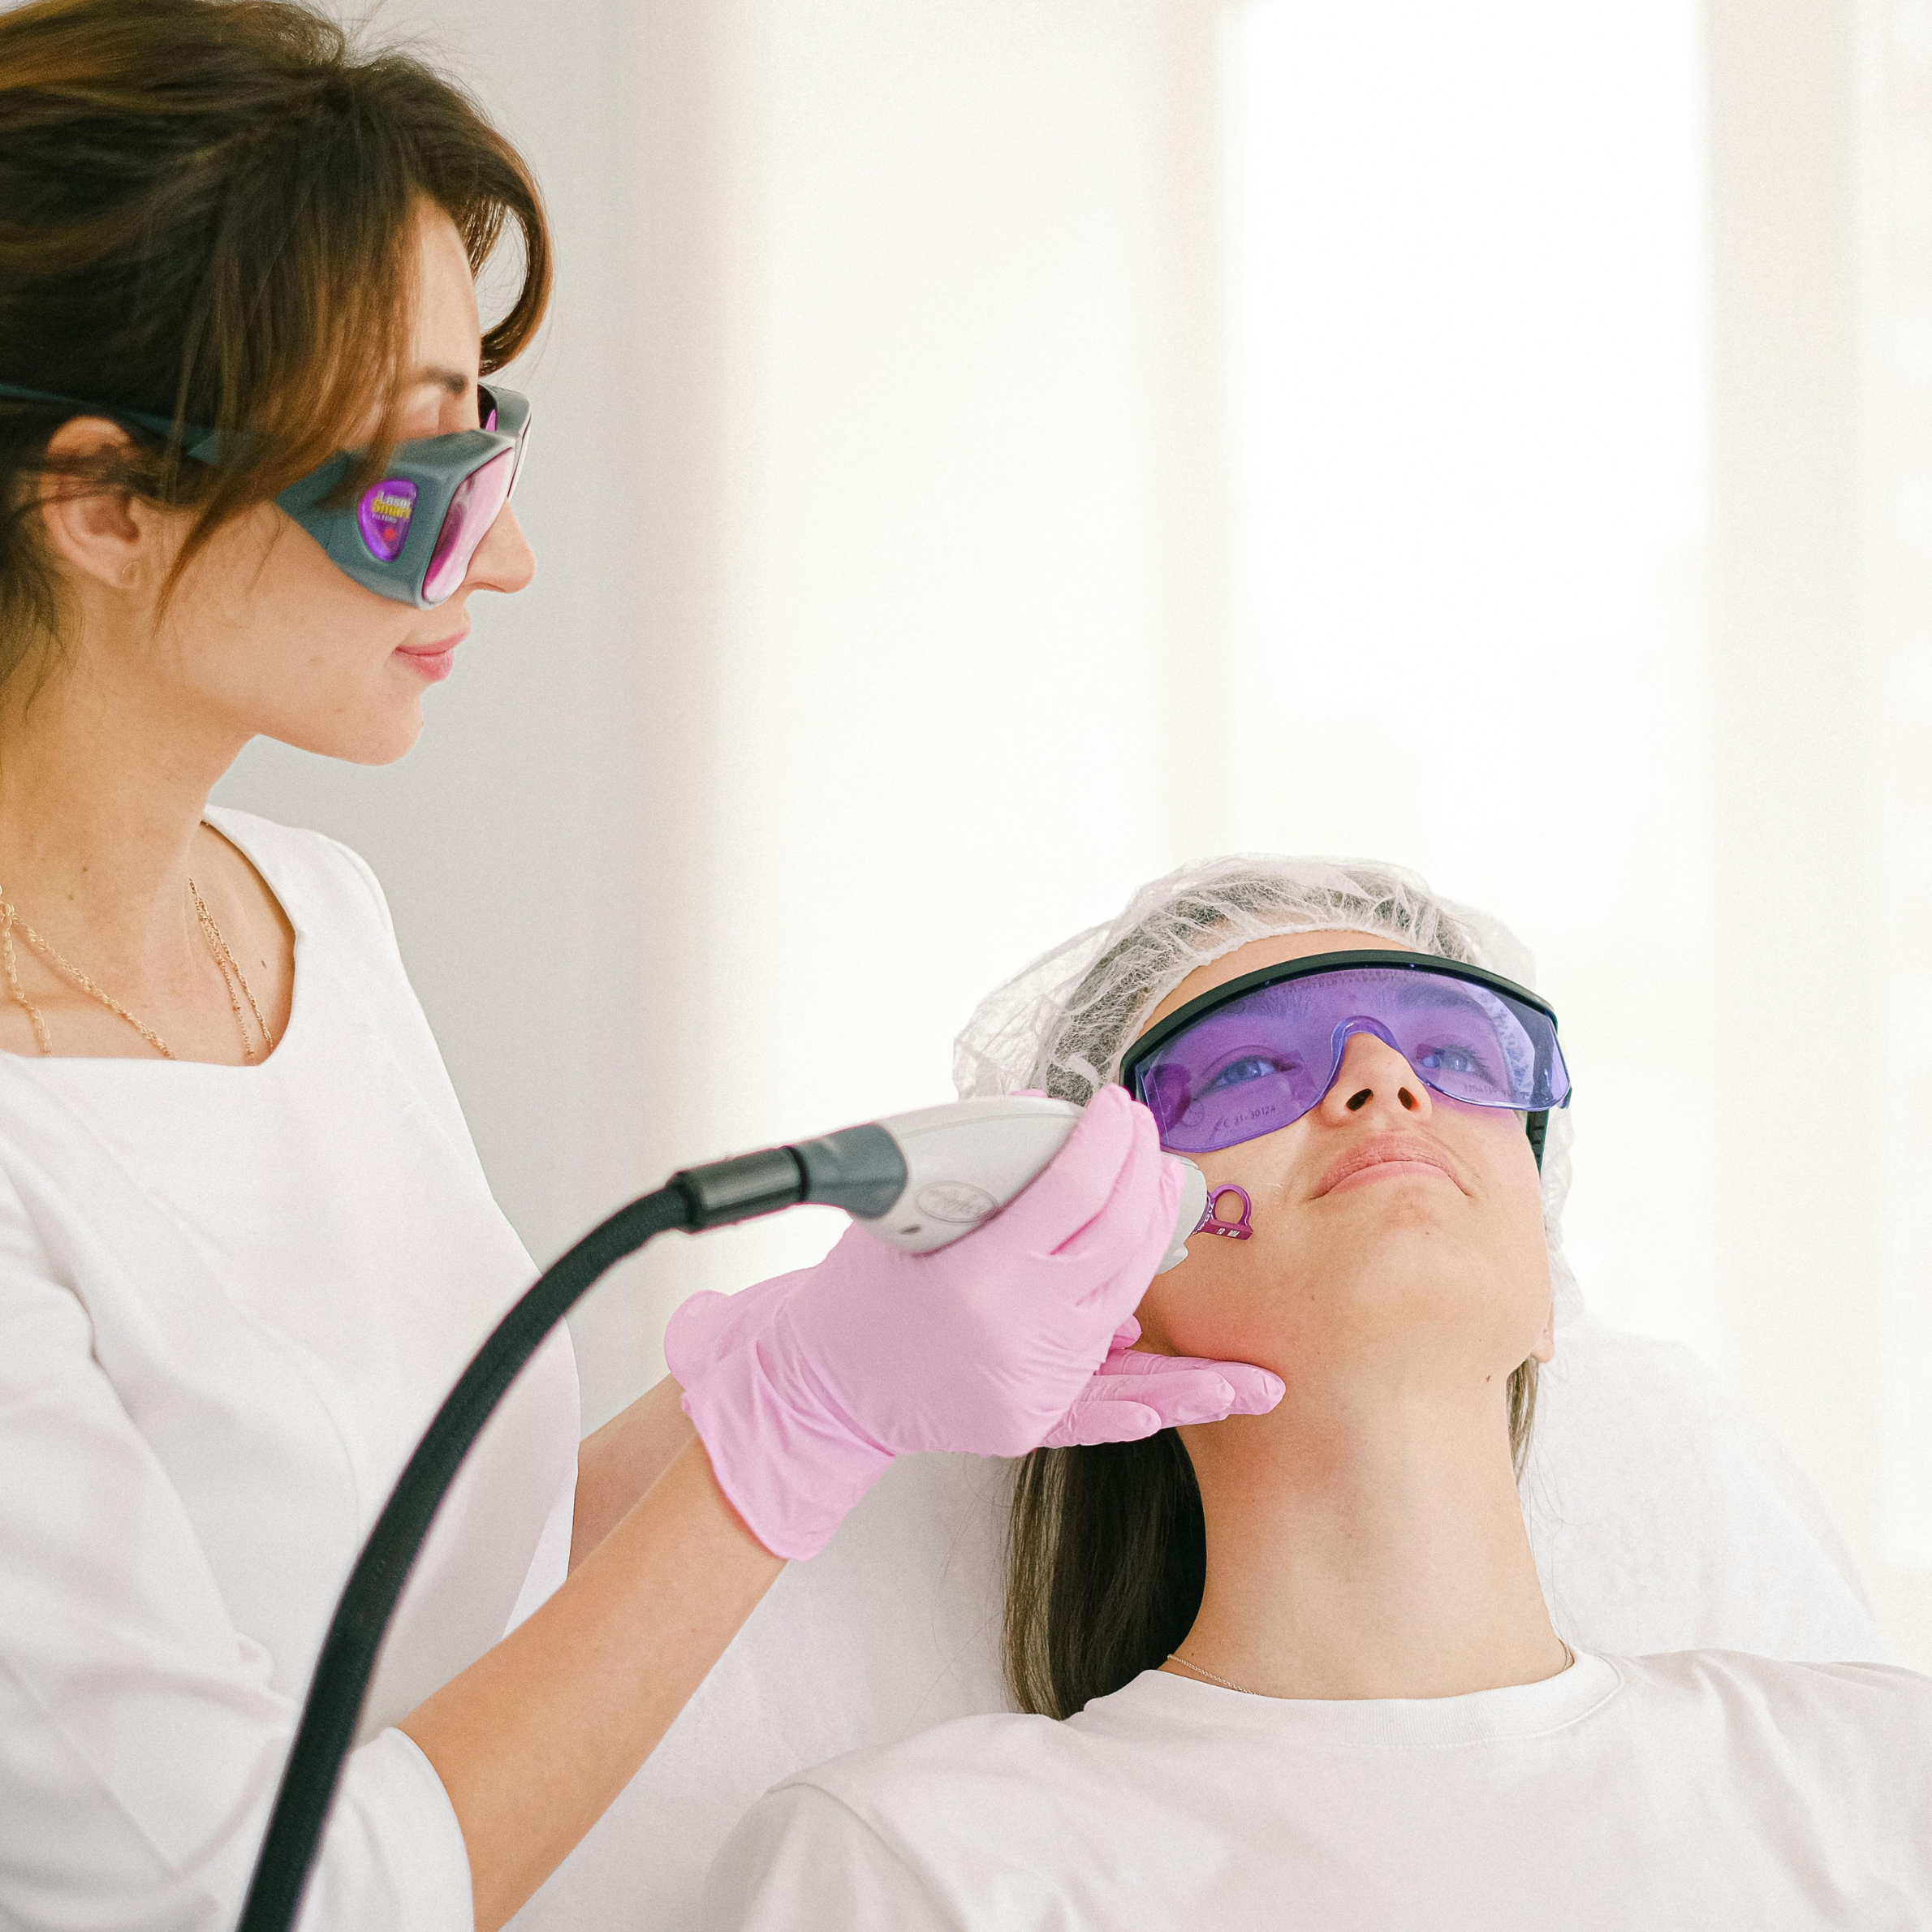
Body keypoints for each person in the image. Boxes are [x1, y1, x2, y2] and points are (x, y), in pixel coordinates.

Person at [0, 7, 1283, 1930]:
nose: (496, 563)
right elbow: (248, 1903)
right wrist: (794, 1439)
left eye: (486, 444)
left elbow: (437, 1590)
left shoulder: (297, 909)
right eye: (413, 480)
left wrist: (798, 1356)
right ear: (100, 500)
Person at [702, 856, 1932, 1931]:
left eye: (1454, 1053)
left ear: (1543, 1285)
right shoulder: (925, 1870)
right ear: (1101, 1294)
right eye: (1248, 1065)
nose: (1383, 1078)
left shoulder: (1880, 1782)